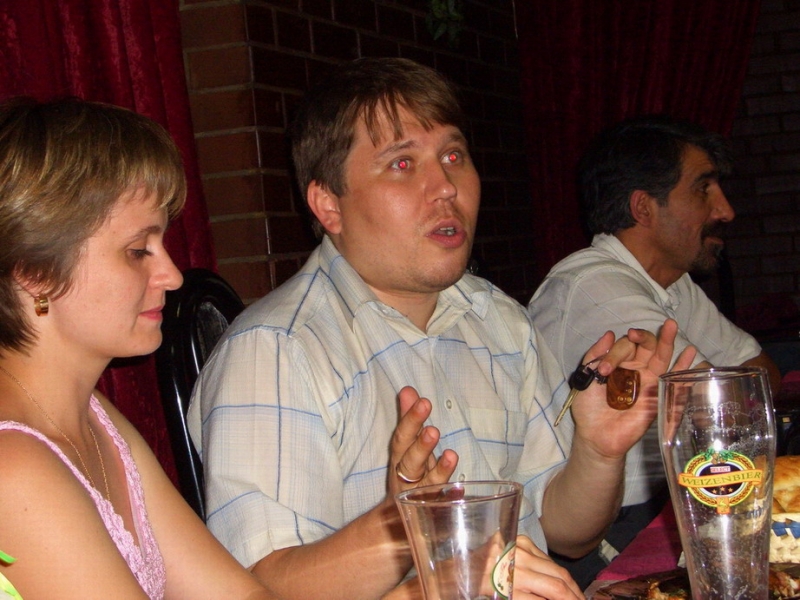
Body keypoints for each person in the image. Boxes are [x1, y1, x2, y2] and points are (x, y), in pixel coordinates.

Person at [188, 58, 694, 600]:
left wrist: (598, 450)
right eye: (402, 164)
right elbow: (259, 585)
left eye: (453, 156)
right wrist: (404, 530)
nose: (445, 187)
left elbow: (567, 533)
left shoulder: (500, 321)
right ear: (329, 205)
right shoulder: (275, 351)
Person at [0, 97, 279, 600]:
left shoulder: (93, 413)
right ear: (36, 271)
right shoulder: (12, 466)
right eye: (137, 251)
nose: (172, 276)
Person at [528, 114, 781, 587]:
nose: (725, 210)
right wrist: (737, 398)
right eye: (703, 189)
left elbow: (759, 374)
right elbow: (726, 410)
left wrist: (739, 397)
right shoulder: (594, 285)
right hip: (602, 539)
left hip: (662, 505)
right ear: (643, 208)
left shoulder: (669, 281)